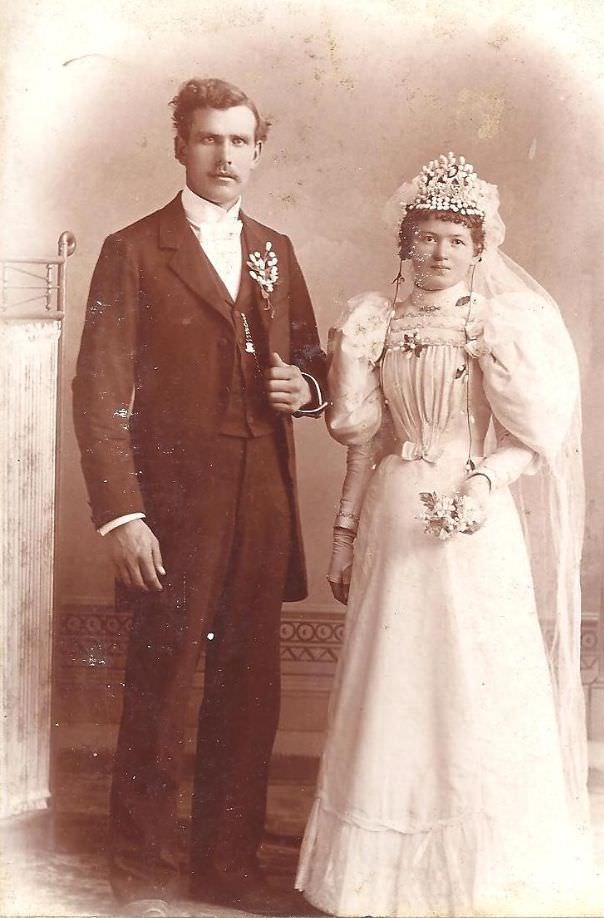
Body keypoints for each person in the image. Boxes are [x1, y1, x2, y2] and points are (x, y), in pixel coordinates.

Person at [296, 153, 590, 916]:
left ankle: (478, 875)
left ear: (478, 248)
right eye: (425, 238)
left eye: (454, 240)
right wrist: (343, 534)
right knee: (394, 686)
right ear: (406, 243)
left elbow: (531, 439)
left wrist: (485, 483)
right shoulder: (373, 322)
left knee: (471, 683)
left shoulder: (499, 325)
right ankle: (374, 886)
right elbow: (365, 440)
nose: (437, 254)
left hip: (473, 517)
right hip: (396, 517)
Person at [73, 77, 326, 918]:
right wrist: (123, 512)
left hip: (263, 497)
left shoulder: (275, 248)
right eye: (211, 139)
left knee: (250, 686)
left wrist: (307, 388)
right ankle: (140, 871)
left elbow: (311, 360)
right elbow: (98, 390)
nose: (226, 156)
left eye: (241, 141)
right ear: (180, 146)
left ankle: (228, 865)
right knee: (164, 681)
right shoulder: (133, 249)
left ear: (259, 150)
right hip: (174, 504)